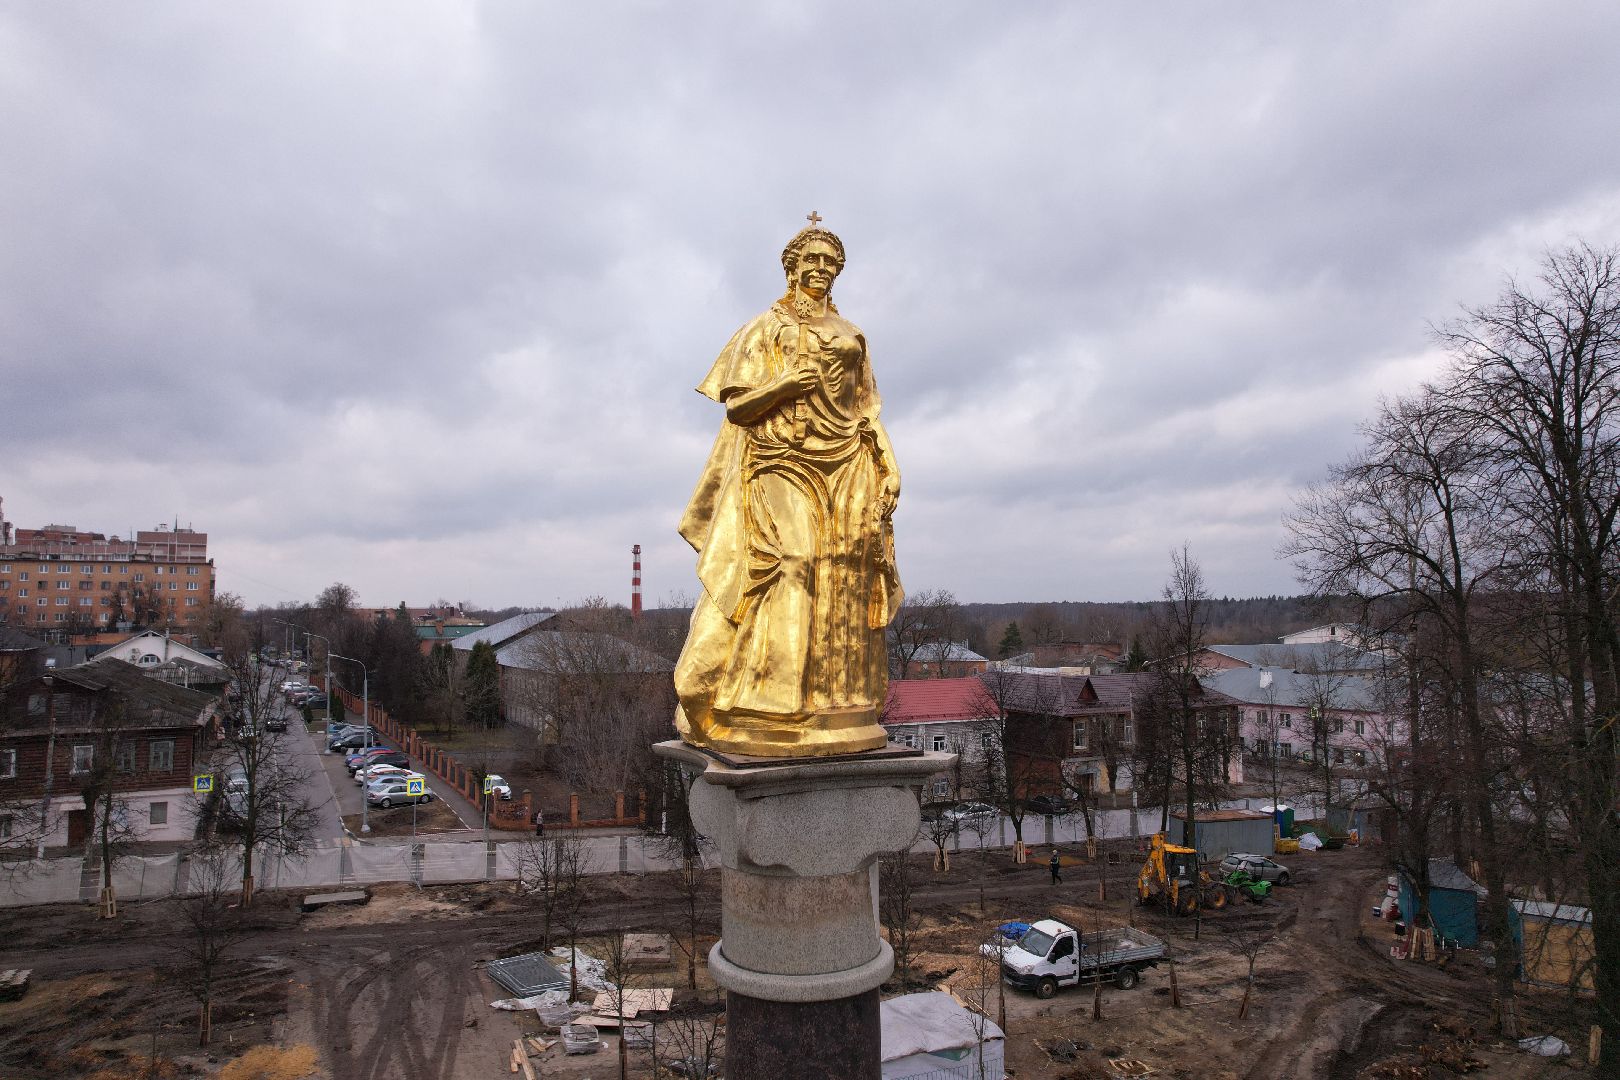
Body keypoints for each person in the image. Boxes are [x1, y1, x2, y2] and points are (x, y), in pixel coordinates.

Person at [674, 219, 902, 758]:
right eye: (812, 259)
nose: (821, 269)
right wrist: (784, 385)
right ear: (792, 265)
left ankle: (835, 705)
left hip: (847, 462)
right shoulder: (763, 328)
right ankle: (764, 706)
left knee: (843, 575)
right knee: (793, 563)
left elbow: (867, 411)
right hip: (780, 460)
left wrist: (889, 465)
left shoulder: (852, 333)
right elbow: (736, 409)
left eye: (831, 261)